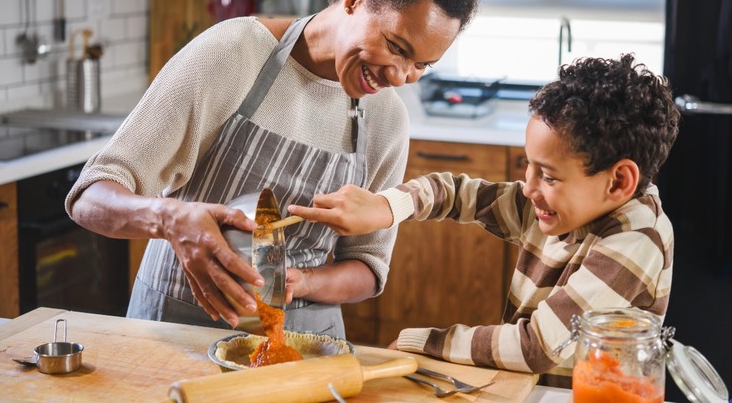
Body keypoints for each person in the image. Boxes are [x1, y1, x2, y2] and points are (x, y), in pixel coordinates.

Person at [64, 0, 480, 338]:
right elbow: (91, 195)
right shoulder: (234, 53)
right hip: (179, 331)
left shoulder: (387, 120)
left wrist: (307, 282)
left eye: (421, 65)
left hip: (307, 346)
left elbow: (368, 268)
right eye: (395, 47)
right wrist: (170, 218)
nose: (399, 76)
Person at [289, 53, 681, 372]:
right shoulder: (558, 207)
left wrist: (422, 342)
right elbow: (456, 193)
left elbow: (536, 346)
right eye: (529, 167)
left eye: (548, 176)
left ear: (618, 181)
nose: (528, 188)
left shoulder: (636, 237)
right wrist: (387, 207)